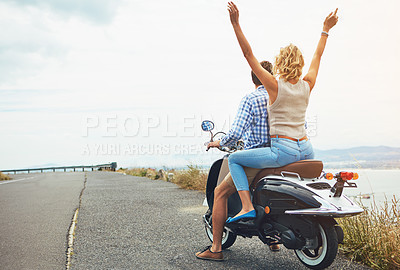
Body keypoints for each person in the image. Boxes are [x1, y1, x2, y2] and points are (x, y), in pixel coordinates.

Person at [225, 2, 338, 223]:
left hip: (283, 151)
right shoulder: (307, 84)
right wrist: (326, 29)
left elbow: (248, 54)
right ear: (300, 63)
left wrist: (236, 24)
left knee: (235, 159)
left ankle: (246, 206)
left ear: (279, 62)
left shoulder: (274, 85)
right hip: (306, 149)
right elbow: (318, 56)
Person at [195, 61, 278, 261]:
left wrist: (217, 142)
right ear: (272, 75)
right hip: (284, 155)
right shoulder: (282, 97)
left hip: (257, 158)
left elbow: (235, 133)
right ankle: (274, 239)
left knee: (220, 192)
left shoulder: (251, 98)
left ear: (253, 78)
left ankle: (216, 249)